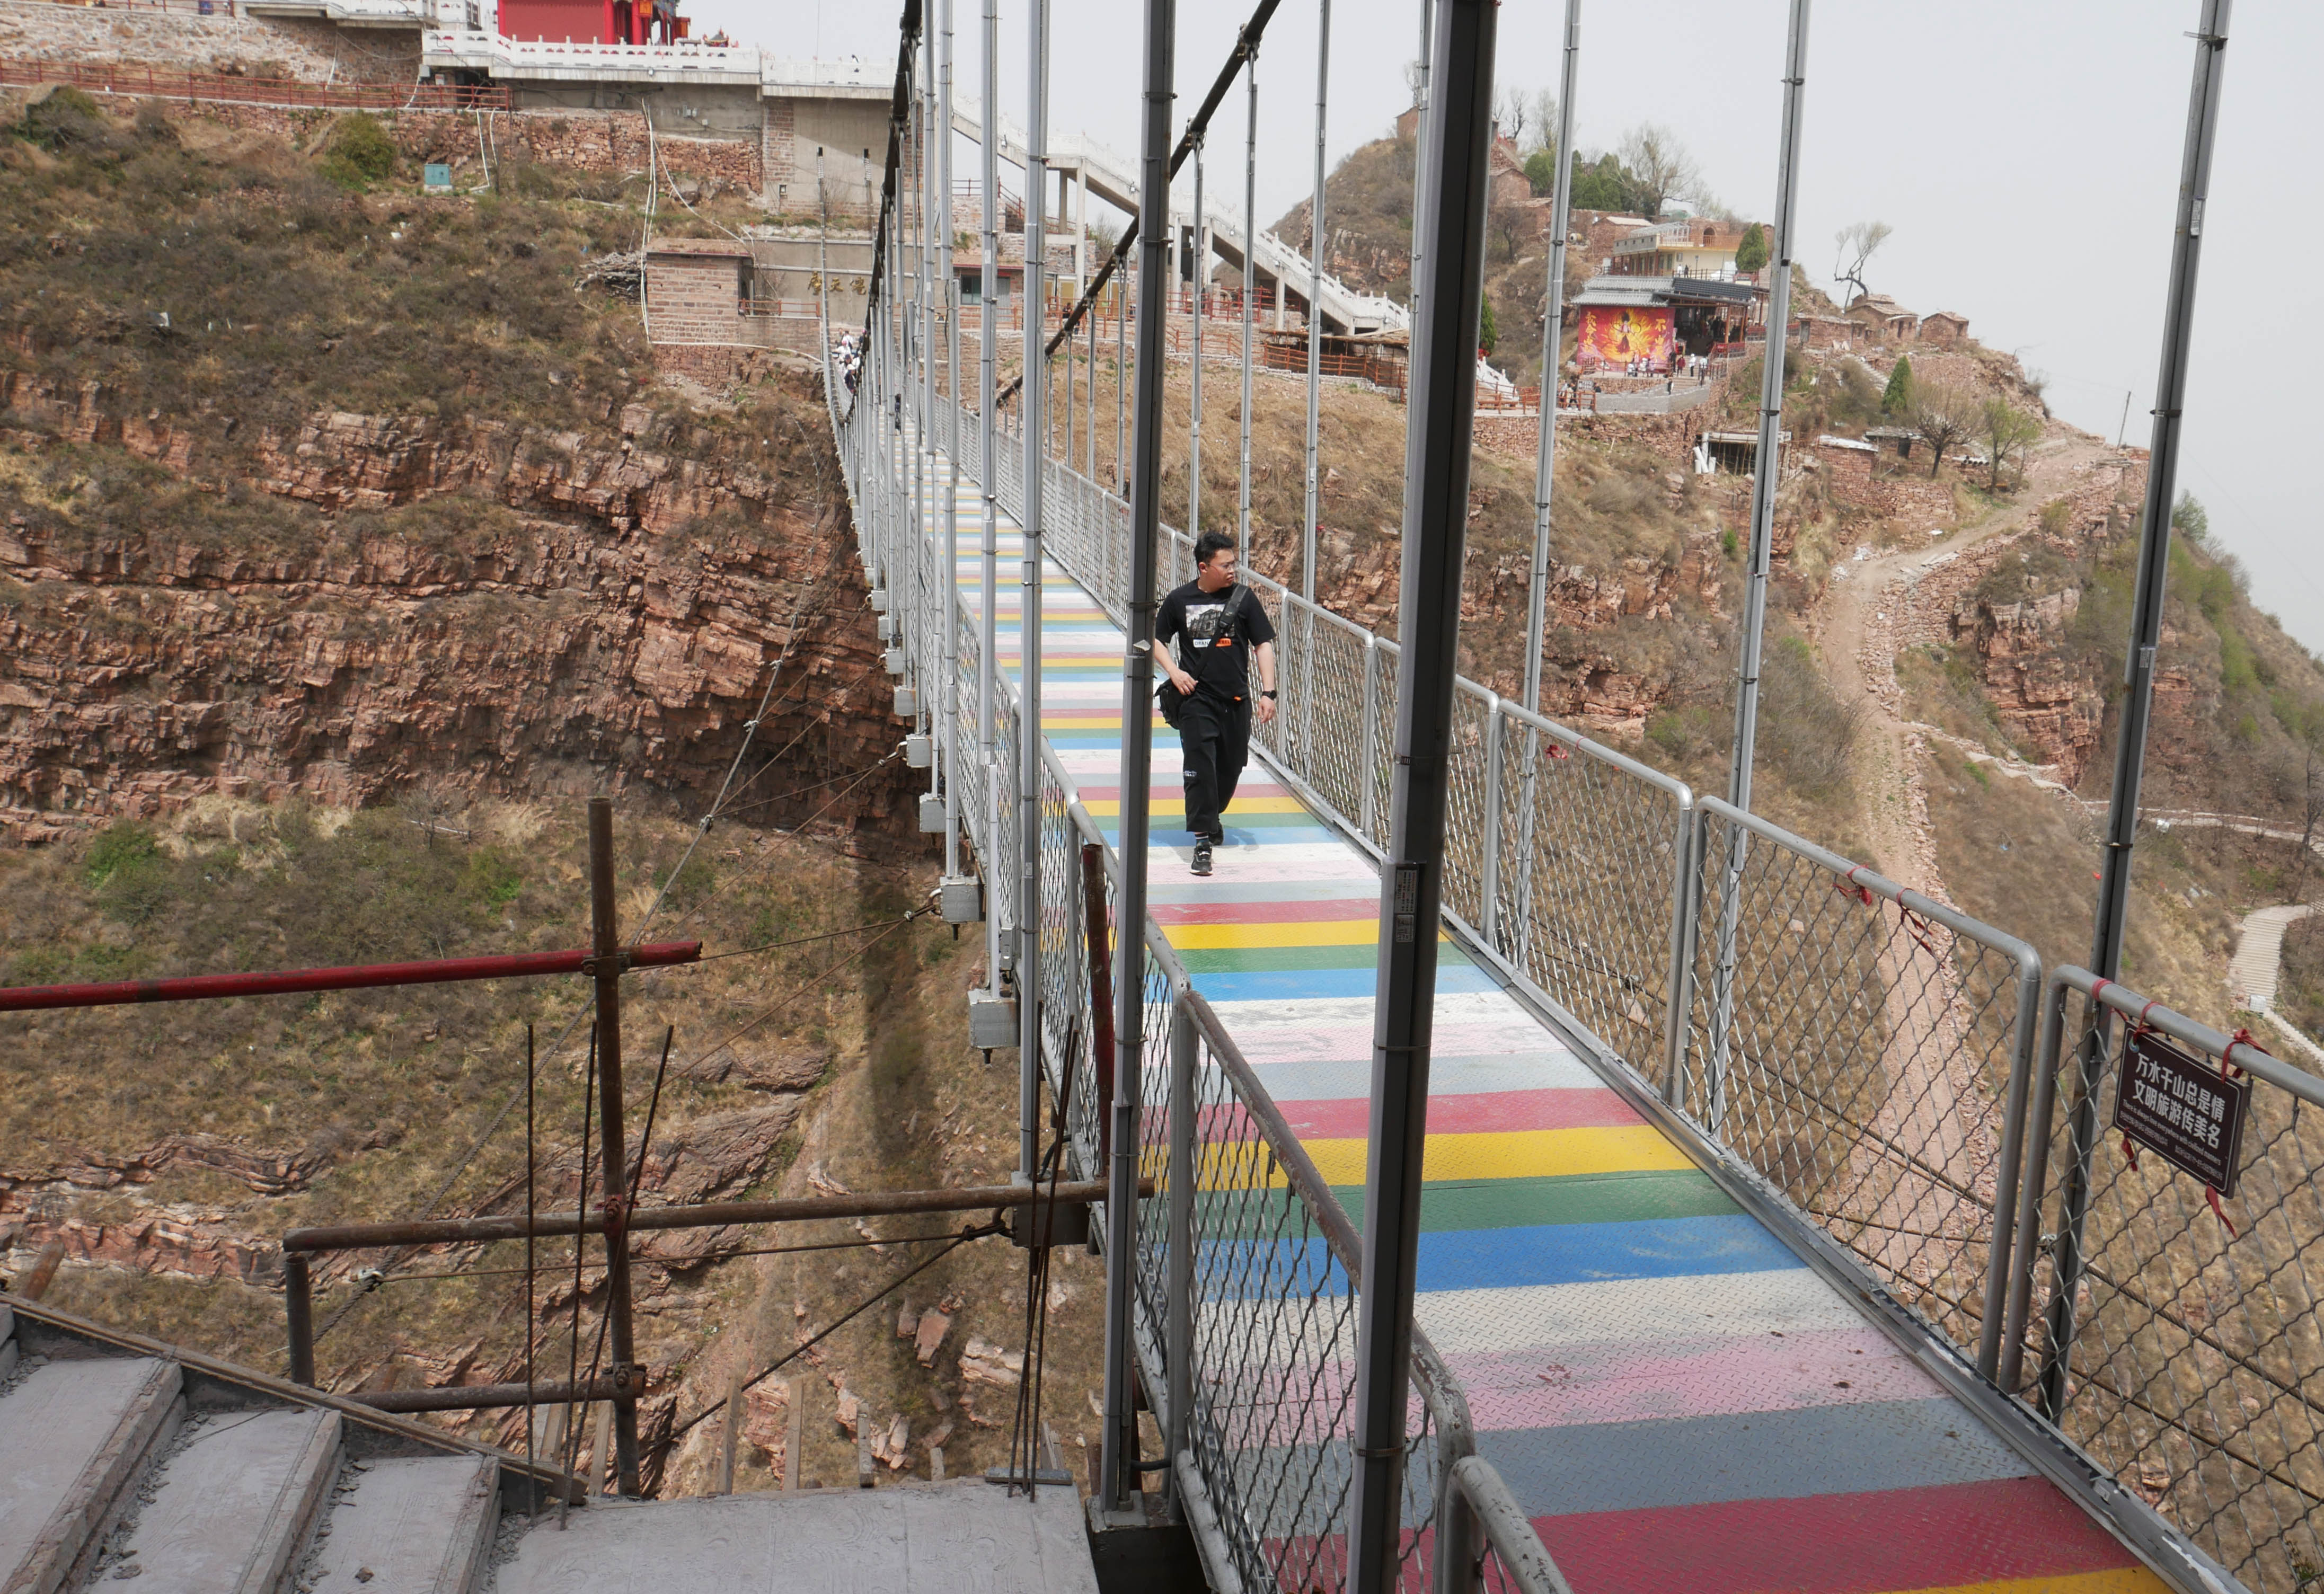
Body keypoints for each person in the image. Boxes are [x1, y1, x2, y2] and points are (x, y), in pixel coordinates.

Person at [1153, 531, 1277, 877]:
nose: (1232, 570)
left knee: (1230, 767)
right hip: (1196, 700)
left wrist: (1269, 692)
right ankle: (1203, 842)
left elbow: (1263, 644)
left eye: (1233, 564)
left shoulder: (1244, 599)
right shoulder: (1179, 600)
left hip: (1236, 701)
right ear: (1204, 567)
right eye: (1225, 565)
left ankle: (1213, 814)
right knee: (1199, 768)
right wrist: (1174, 672)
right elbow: (1156, 639)